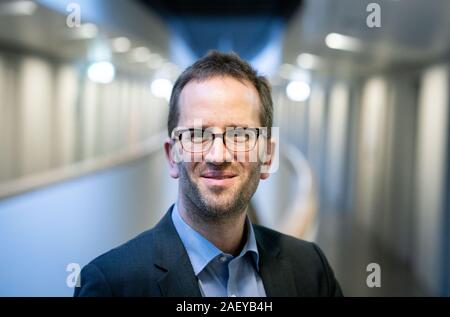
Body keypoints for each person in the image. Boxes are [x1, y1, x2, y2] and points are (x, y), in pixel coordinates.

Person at [74, 51, 343, 297]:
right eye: (197, 135)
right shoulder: (111, 285)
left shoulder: (311, 269)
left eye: (240, 135)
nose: (218, 156)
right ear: (171, 156)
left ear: (268, 157)